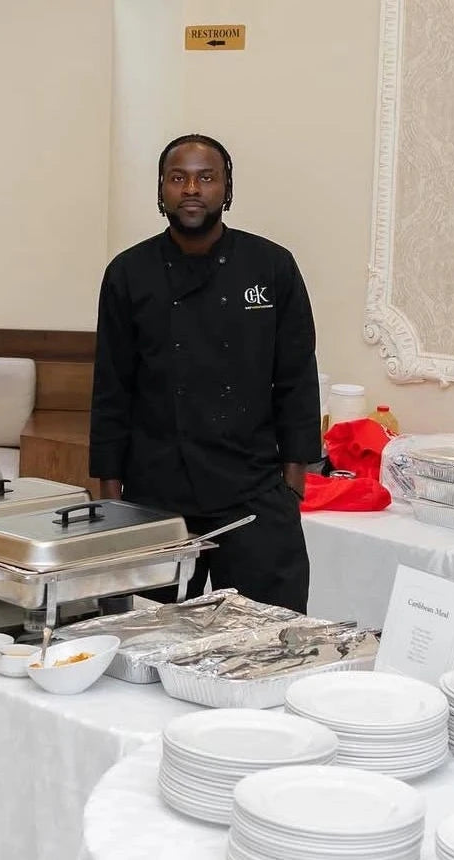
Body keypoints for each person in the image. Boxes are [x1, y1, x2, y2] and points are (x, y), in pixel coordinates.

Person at [89, 133, 320, 613]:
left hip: (253, 491)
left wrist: (294, 476)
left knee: (268, 634)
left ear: (227, 191)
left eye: (205, 177)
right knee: (151, 642)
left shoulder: (272, 267)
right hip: (156, 493)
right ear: (160, 193)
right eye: (178, 178)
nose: (191, 188)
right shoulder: (128, 273)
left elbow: (296, 376)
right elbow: (112, 387)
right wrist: (109, 491)